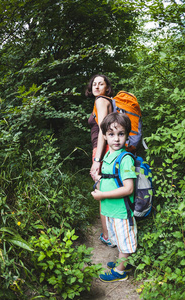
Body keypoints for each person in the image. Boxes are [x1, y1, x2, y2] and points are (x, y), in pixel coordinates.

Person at [91, 112, 137, 282]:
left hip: (121, 211)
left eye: (121, 134)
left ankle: (120, 271)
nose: (116, 139)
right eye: (111, 134)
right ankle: (124, 261)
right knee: (118, 238)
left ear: (127, 136)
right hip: (111, 209)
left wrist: (102, 194)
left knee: (125, 240)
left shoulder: (125, 158)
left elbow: (128, 188)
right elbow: (111, 178)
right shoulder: (109, 155)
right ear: (104, 136)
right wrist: (99, 180)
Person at [85, 74, 114, 247]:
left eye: (100, 83)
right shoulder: (106, 101)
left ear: (106, 87)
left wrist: (97, 159)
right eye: (94, 83)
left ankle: (107, 235)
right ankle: (113, 232)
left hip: (102, 151)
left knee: (102, 192)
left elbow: (103, 131)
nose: (96, 86)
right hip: (107, 151)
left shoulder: (101, 101)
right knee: (108, 189)